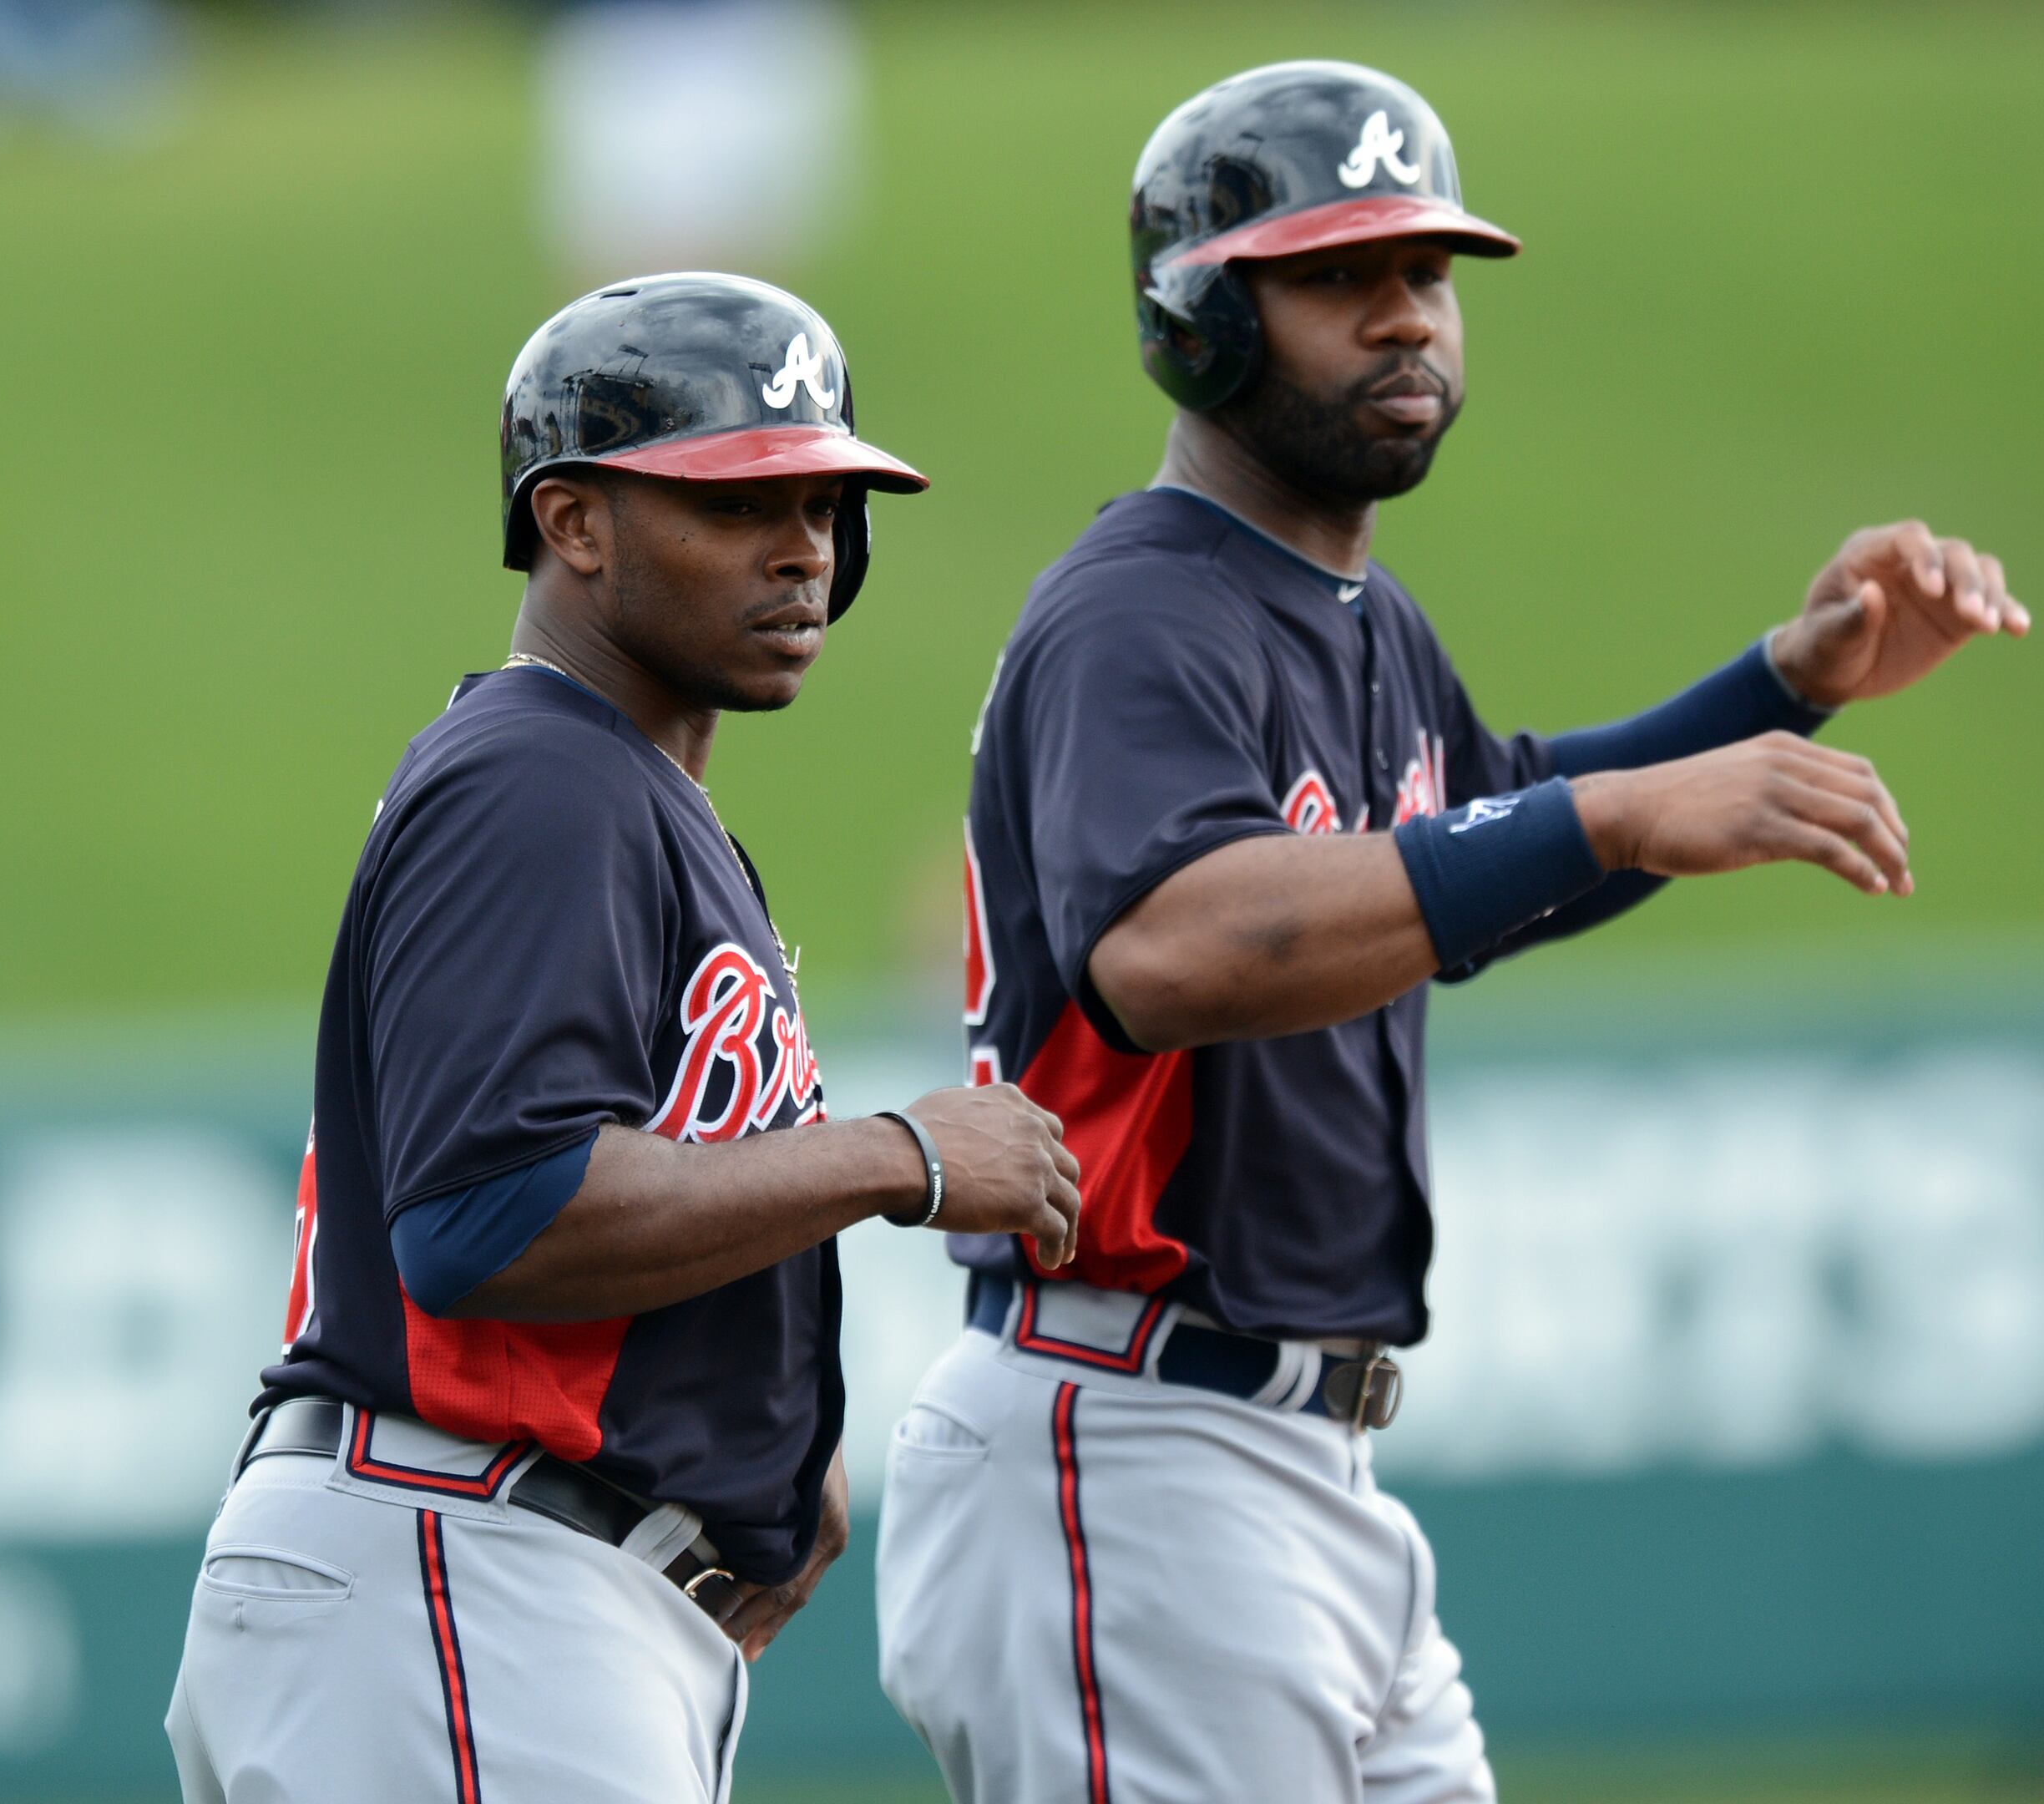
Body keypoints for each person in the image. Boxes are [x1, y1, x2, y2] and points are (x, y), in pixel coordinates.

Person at [872, 60, 2026, 1804]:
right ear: (1200, 312)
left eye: (1428, 274)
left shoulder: (1353, 614)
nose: (1408, 319)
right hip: (1130, 1443)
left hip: (1289, 1475)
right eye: (1343, 278)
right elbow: (1173, 950)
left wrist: (1786, 683)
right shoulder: (1142, 614)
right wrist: (1610, 813)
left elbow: (1480, 844)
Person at [162, 272, 1081, 1803]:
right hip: (460, 1569)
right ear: (574, 521)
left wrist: (764, 1457)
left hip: (497, 1586)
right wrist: (897, 1157)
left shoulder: (617, 787)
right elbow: (481, 1218)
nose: (805, 549)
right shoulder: (543, 776)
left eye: (830, 505)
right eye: (741, 502)